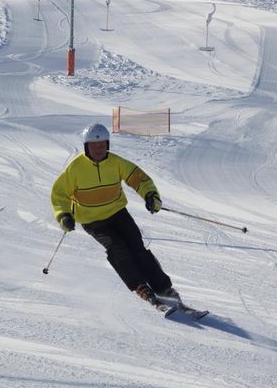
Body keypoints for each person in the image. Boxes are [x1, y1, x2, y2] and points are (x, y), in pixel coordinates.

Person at [51, 123, 181, 310]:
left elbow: (139, 179)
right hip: (92, 221)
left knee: (137, 246)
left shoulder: (116, 162)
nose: (99, 149)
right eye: (94, 146)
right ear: (86, 147)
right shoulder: (75, 169)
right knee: (116, 247)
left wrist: (150, 195)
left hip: (118, 213)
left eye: (102, 145)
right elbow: (59, 194)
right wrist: (63, 215)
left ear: (108, 145)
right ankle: (140, 286)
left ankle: (163, 288)